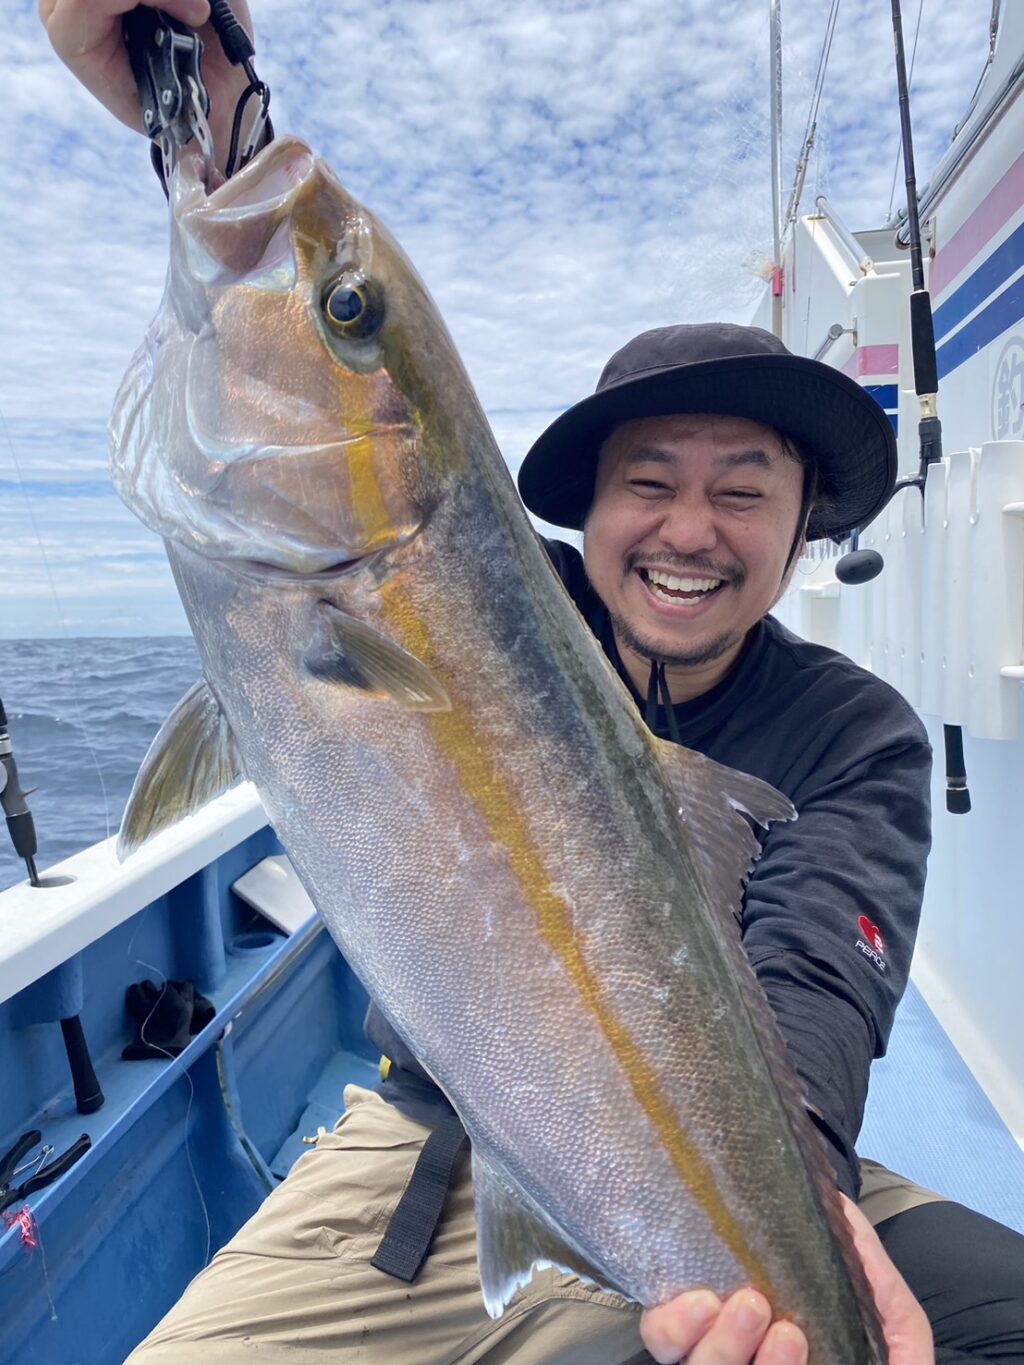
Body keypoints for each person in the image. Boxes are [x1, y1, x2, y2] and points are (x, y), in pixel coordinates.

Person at [40, 4, 1024, 1362]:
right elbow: (257, 250)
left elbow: (815, 988)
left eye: (744, 492)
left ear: (802, 529)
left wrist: (806, 1236)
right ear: (588, 512)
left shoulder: (857, 731)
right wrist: (201, 102)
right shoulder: (483, 600)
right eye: (648, 483)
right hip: (415, 1154)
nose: (689, 531)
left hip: (750, 1170)